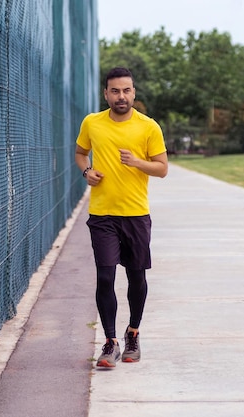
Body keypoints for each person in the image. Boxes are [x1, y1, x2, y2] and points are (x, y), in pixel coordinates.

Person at [75, 67, 168, 368]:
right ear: (106, 94)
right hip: (102, 214)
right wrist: (87, 171)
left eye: (126, 90)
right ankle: (110, 341)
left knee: (136, 277)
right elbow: (79, 153)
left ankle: (133, 332)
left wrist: (138, 162)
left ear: (134, 92)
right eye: (115, 91)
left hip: (136, 214)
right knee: (105, 276)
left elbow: (162, 168)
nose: (121, 96)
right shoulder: (92, 123)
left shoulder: (148, 127)